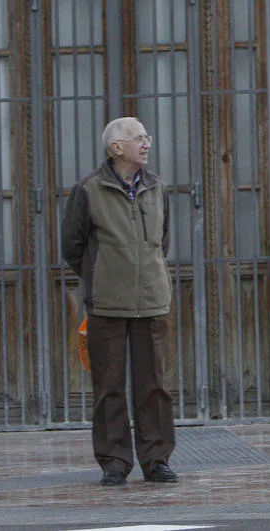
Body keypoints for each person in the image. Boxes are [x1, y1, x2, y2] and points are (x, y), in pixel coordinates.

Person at [61, 117, 178, 486]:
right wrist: (103, 277)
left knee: (153, 386)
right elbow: (72, 246)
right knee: (108, 386)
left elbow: (163, 240)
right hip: (107, 304)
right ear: (116, 148)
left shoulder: (157, 187)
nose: (146, 144)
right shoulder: (88, 189)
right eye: (139, 138)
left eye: (148, 138)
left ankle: (156, 460)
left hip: (152, 302)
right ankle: (114, 461)